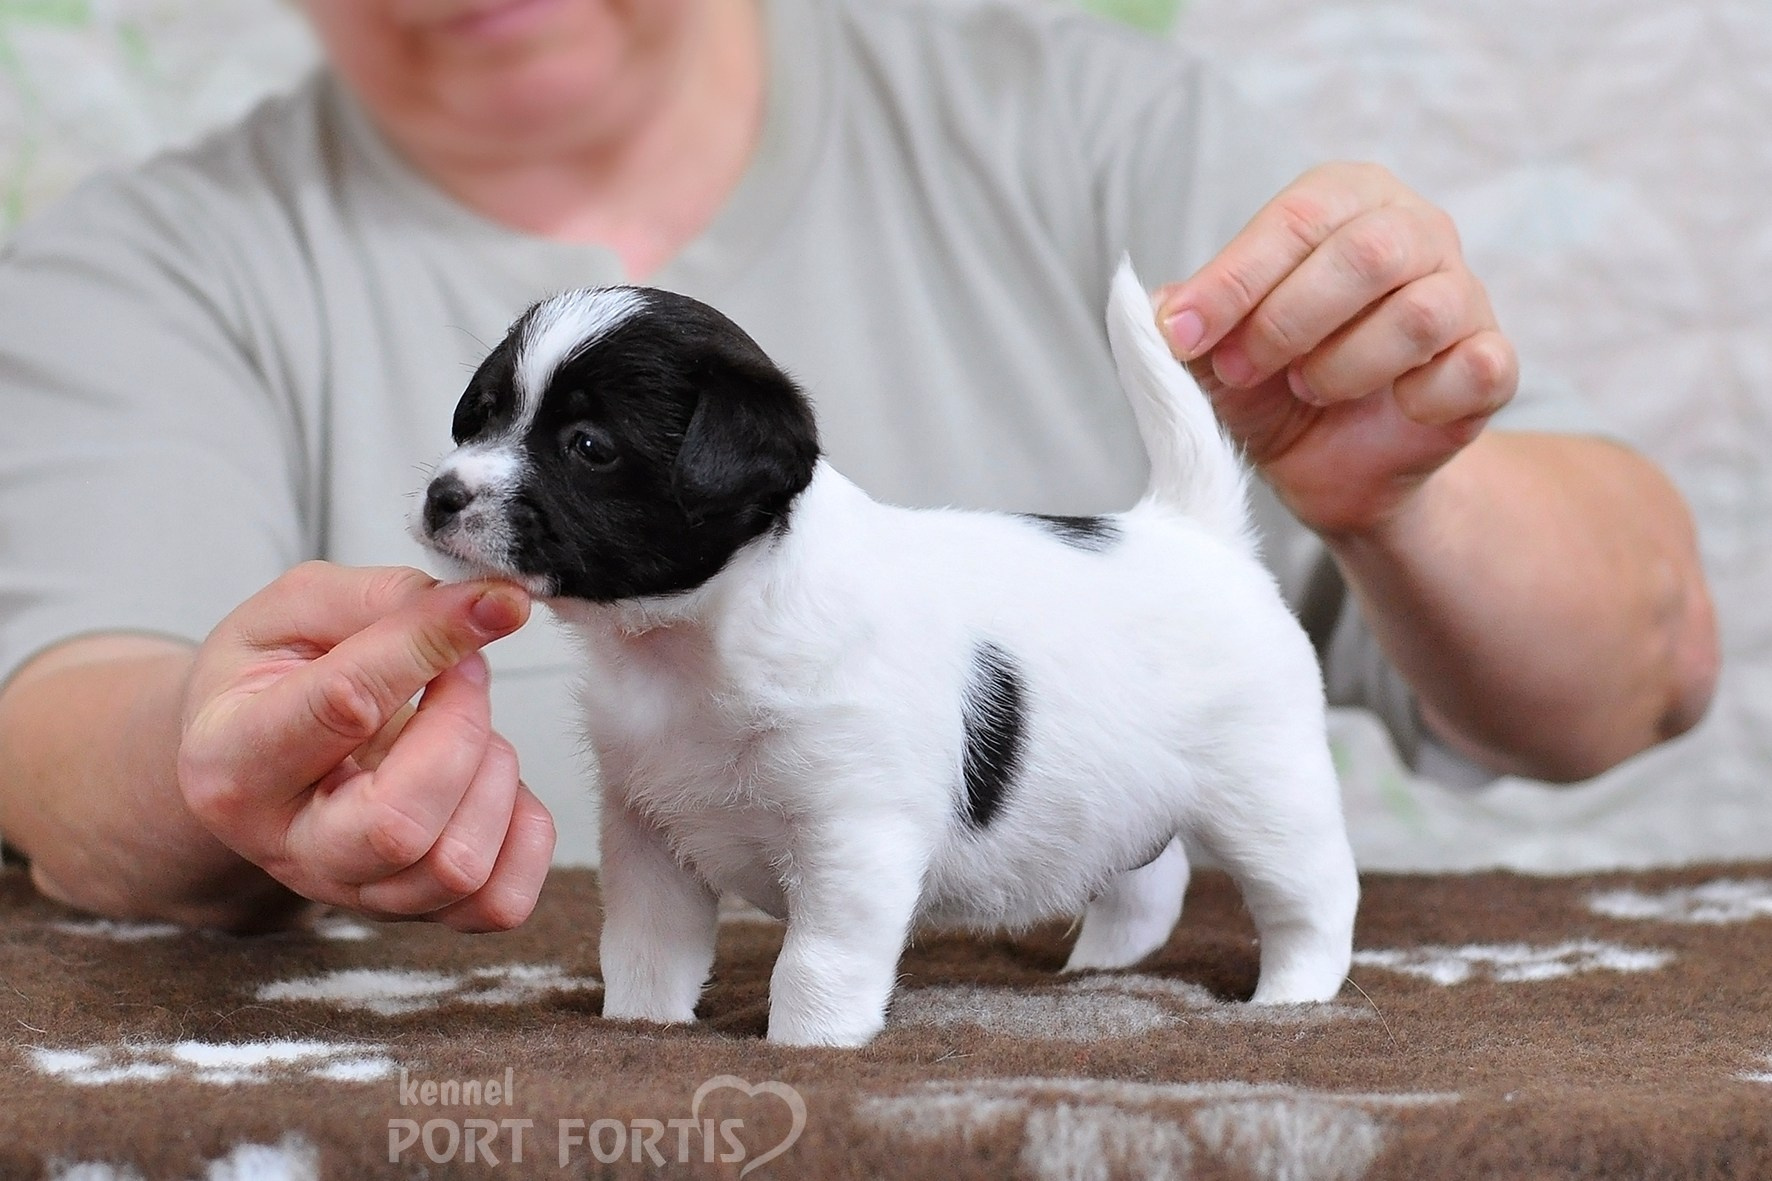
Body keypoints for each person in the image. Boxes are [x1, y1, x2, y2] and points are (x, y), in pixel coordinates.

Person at [0, 0, 1718, 933]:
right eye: (487, 426)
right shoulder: (146, 262)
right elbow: (54, 718)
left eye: (566, 448)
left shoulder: (1097, 128)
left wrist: (1405, 491)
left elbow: (1651, 660)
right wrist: (216, 758)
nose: (478, 482)